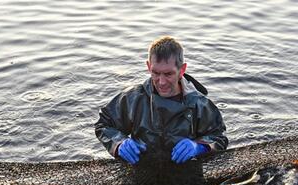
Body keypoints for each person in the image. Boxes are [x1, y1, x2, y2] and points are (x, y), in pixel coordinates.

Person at [95, 36, 228, 166]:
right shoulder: (134, 98)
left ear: (182, 70)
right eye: (155, 73)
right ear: (148, 67)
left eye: (168, 74)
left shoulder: (200, 104)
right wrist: (119, 143)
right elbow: (103, 124)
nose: (162, 82)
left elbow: (219, 137)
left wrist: (200, 147)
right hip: (141, 166)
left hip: (184, 169)